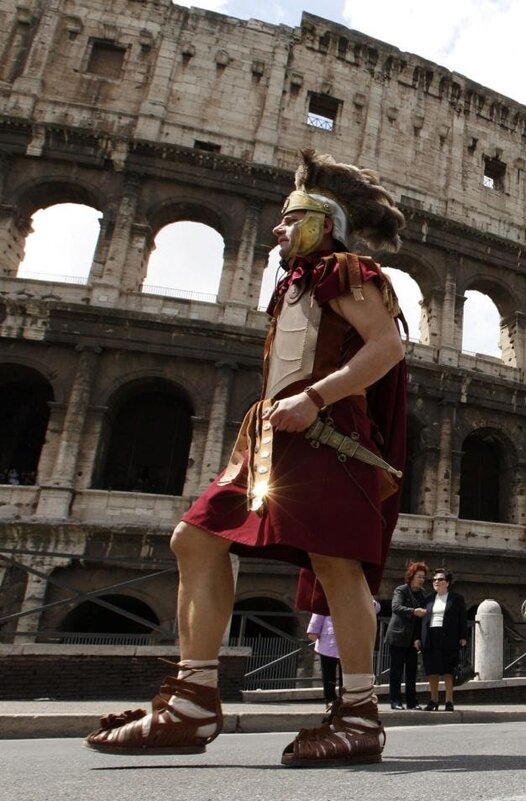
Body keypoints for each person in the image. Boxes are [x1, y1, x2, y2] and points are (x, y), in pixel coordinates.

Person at [84, 149, 408, 767]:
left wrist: (316, 397)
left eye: (290, 221)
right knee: (195, 538)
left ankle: (361, 715)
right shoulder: (294, 286)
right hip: (269, 439)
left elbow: (386, 347)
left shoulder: (347, 270)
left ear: (323, 223)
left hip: (327, 432)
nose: (277, 230)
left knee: (337, 566)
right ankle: (193, 701)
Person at [418, 568, 470, 711]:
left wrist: (463, 637)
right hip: (430, 637)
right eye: (434, 580)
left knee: (448, 670)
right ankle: (433, 700)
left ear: (447, 583)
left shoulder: (456, 599)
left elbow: (462, 619)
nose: (436, 582)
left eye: (440, 579)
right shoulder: (428, 599)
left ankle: (449, 700)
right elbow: (421, 621)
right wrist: (418, 638)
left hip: (448, 637)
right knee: (432, 670)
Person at [384, 561, 428, 709]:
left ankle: (412, 701)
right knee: (396, 670)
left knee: (411, 671)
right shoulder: (401, 590)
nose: (421, 580)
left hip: (412, 639)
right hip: (398, 636)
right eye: (419, 576)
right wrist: (413, 611)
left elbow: (421, 620)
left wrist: (417, 638)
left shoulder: (423, 594)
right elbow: (396, 607)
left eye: (423, 577)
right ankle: (395, 701)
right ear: (411, 576)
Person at [308, 613, 341, 703]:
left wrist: (371, 603)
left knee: (347, 675)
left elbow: (374, 607)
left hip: (350, 639)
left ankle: (347, 698)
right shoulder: (326, 599)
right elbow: (319, 610)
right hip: (328, 639)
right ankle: (330, 698)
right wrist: (313, 629)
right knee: (328, 673)